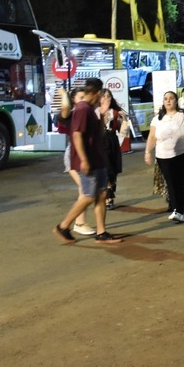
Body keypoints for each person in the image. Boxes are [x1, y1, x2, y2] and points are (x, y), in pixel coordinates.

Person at [52, 78, 123, 244]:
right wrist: (84, 160)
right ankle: (64, 226)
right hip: (88, 160)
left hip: (97, 159)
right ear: (97, 92)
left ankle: (101, 232)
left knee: (101, 194)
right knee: (89, 196)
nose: (102, 98)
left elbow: (97, 133)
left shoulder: (90, 109)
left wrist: (103, 115)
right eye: (101, 94)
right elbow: (77, 134)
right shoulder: (83, 109)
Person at [144, 90, 184, 223]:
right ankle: (177, 209)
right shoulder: (157, 118)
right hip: (163, 156)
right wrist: (148, 151)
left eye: (171, 98)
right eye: (166, 99)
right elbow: (152, 137)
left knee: (180, 182)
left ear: (176, 101)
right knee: (171, 183)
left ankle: (179, 210)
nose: (168, 101)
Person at [56, 87, 95, 236]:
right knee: (85, 191)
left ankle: (79, 223)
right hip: (74, 156)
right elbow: (65, 108)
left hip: (83, 155)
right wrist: (63, 94)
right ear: (74, 100)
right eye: (81, 97)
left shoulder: (85, 113)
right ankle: (78, 223)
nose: (84, 99)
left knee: (87, 190)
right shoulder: (71, 115)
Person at [99, 88, 126, 208]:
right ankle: (107, 197)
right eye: (103, 96)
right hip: (100, 142)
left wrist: (124, 119)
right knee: (106, 169)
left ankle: (110, 195)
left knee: (113, 170)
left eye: (108, 96)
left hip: (112, 141)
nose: (106, 99)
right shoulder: (95, 111)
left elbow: (124, 131)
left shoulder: (116, 111)